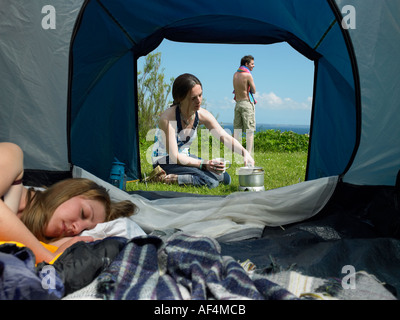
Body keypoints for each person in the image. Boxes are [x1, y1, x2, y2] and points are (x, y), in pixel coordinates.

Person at [0, 142, 136, 263]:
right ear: (67, 192)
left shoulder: (42, 242)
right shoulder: (11, 155)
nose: (76, 229)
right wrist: (47, 256)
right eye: (83, 213)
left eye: (84, 230)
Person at [151, 73, 255, 189]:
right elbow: (175, 156)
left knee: (224, 178)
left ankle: (186, 175)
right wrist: (203, 164)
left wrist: (245, 153)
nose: (199, 100)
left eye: (200, 95)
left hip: (185, 157)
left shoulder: (201, 114)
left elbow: (224, 136)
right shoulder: (168, 118)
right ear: (180, 98)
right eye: (193, 98)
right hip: (165, 160)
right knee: (211, 182)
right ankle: (168, 178)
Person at [233, 55, 257, 155]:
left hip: (238, 103)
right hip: (247, 103)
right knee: (249, 130)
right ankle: (249, 153)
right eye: (252, 64)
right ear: (246, 64)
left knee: (237, 130)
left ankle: (237, 152)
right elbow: (254, 90)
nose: (253, 66)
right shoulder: (248, 75)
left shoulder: (235, 74)